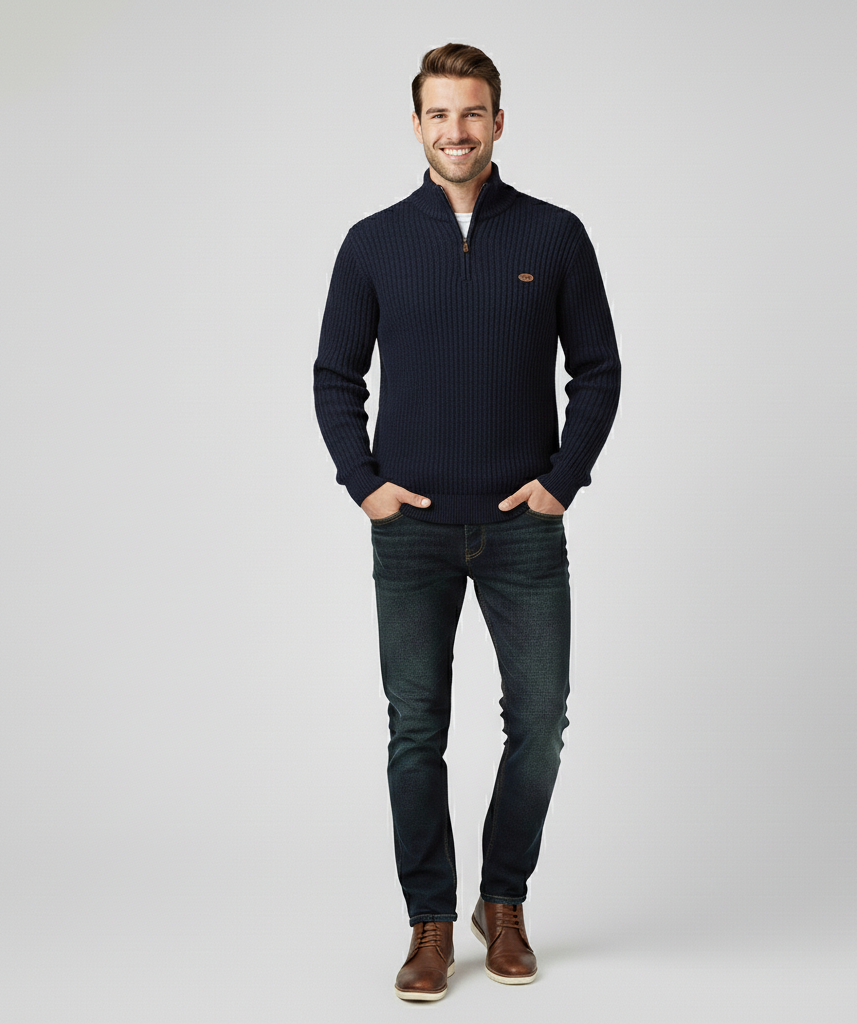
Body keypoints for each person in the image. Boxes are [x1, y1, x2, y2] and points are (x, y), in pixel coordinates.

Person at [313, 42, 621, 1001]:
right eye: (440, 114)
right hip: (411, 531)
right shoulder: (372, 242)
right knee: (417, 730)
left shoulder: (555, 236)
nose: (457, 131)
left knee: (540, 723)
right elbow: (335, 376)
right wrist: (364, 483)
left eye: (473, 113)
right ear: (417, 125)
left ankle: (504, 901)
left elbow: (599, 371)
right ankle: (431, 923)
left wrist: (562, 481)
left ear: (498, 121)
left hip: (523, 528)